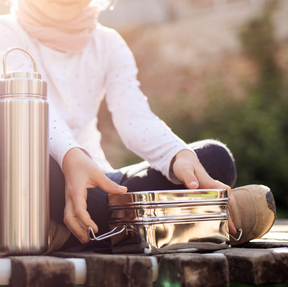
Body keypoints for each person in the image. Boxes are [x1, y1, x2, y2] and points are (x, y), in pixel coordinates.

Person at [0, 0, 276, 252]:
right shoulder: (7, 32)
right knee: (25, 156)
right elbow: (33, 106)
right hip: (39, 181)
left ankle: (85, 233)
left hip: (100, 184)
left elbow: (134, 116)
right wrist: (71, 155)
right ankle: (187, 225)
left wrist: (177, 155)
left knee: (214, 158)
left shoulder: (108, 43)